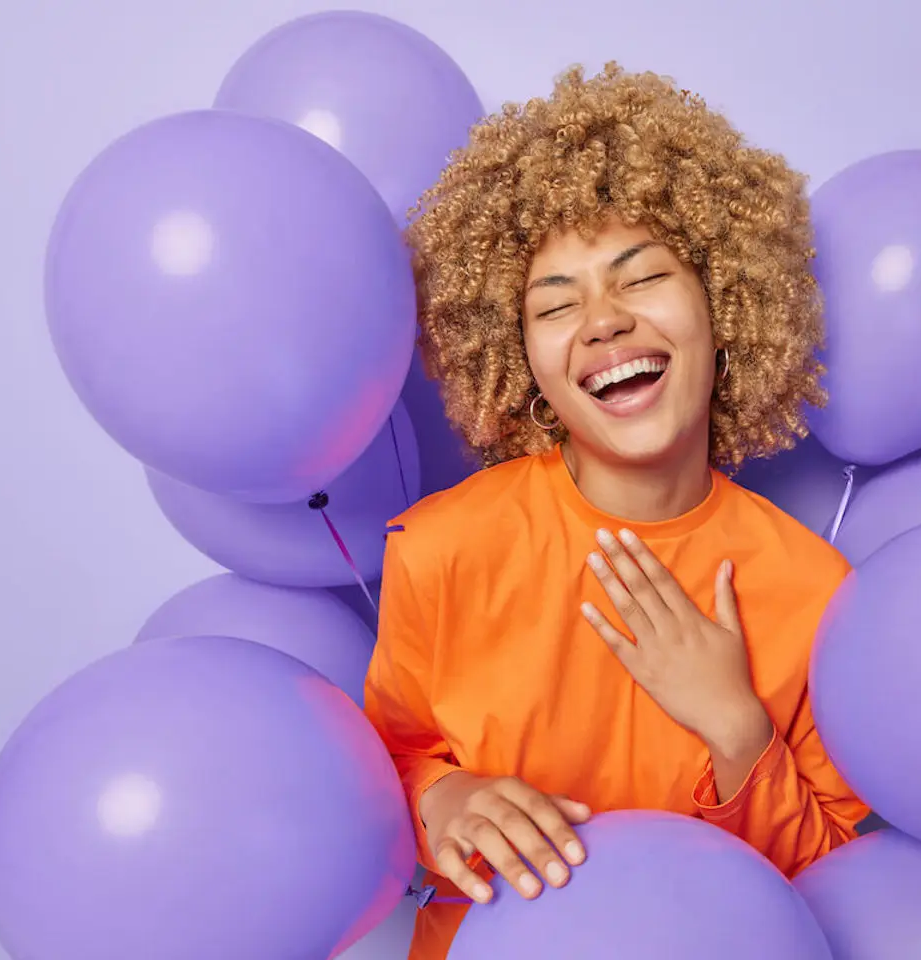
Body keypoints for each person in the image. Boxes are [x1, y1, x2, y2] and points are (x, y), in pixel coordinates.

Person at [362, 62, 868, 960]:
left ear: (726, 303)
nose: (602, 323)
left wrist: (736, 727)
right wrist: (437, 799)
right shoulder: (441, 551)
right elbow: (371, 776)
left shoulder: (820, 595)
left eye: (641, 279)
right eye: (555, 304)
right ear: (522, 362)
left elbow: (841, 894)